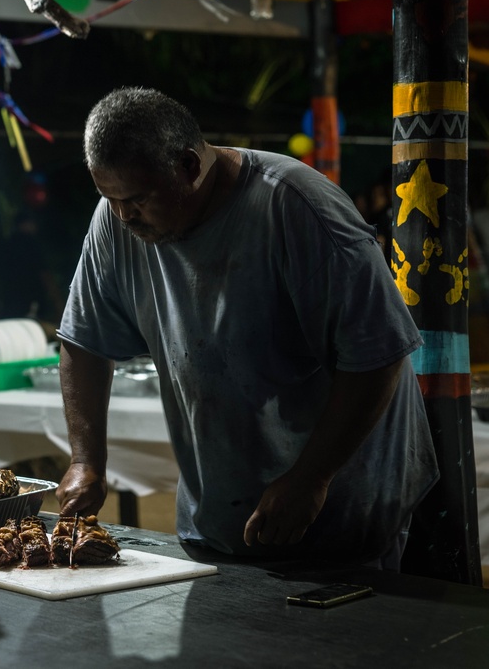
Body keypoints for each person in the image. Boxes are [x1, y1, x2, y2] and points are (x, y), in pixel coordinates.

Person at [55, 87, 439, 569]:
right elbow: (84, 341)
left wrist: (311, 478)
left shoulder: (298, 208)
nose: (122, 215)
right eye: (109, 198)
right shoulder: (117, 218)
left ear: (190, 167)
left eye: (136, 199)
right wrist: (86, 459)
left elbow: (379, 354)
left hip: (343, 507)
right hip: (220, 515)